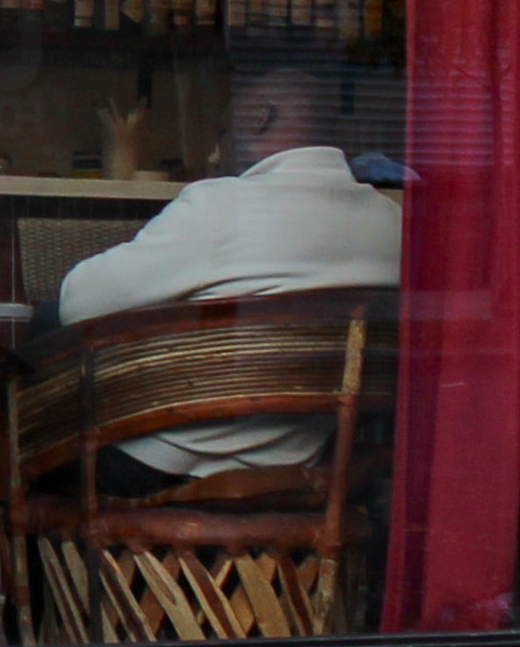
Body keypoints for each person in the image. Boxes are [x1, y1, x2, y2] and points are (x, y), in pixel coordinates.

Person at [48, 70, 399, 483]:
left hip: (166, 464)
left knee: (43, 329)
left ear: (259, 119)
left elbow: (77, 302)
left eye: (224, 131)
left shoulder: (218, 206)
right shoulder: (392, 222)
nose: (217, 152)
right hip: (305, 468)